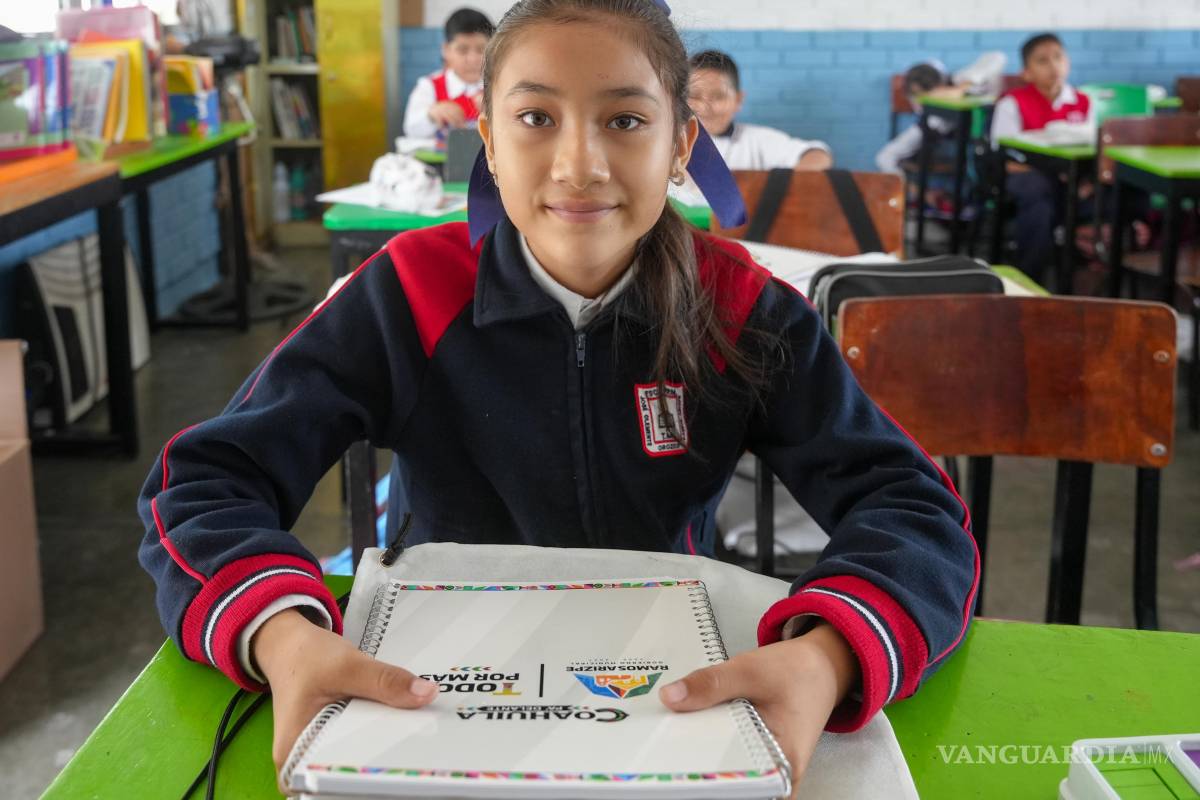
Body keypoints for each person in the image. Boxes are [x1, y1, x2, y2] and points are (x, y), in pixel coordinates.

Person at [137, 1, 977, 794]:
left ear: (682, 142)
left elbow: (916, 508)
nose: (580, 164)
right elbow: (205, 480)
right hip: (435, 692)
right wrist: (282, 636)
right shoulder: (409, 292)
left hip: (668, 693)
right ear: (489, 142)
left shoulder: (741, 307)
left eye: (626, 119)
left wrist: (828, 654)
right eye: (537, 118)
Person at [990, 32, 1091, 283]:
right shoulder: (1012, 103)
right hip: (1024, 177)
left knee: (1121, 195)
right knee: (1039, 195)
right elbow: (1004, 158)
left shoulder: (1084, 102)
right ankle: (1030, 278)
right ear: (1026, 72)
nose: (1053, 66)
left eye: (1058, 57)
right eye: (1042, 61)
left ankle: (1092, 272)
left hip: (1073, 178)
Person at [687, 49, 833, 171]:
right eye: (693, 95)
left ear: (738, 100)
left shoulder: (756, 140)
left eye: (718, 96)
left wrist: (783, 185)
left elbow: (819, 155)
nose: (704, 107)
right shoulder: (671, 140)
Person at [874, 53, 1006, 175]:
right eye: (917, 96)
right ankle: (914, 193)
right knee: (886, 157)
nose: (919, 101)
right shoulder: (927, 117)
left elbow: (998, 57)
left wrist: (962, 87)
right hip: (929, 133)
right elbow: (884, 158)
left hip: (973, 136)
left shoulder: (957, 81)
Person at [401, 7, 493, 139]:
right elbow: (410, 129)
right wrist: (431, 114)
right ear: (446, 50)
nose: (473, 60)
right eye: (462, 50)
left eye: (481, 49)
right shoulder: (429, 86)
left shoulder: (499, 85)